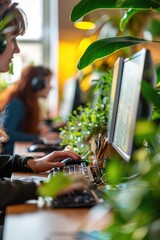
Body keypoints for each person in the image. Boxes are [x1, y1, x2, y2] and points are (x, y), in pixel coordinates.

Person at [0, 1, 87, 236]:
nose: (17, 49)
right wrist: (44, 186)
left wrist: (28, 163)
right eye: (13, 40)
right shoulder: (18, 102)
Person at [0, 64, 59, 154]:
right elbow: (7, 134)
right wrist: (39, 137)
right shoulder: (18, 103)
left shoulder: (28, 102)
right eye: (48, 81)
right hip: (10, 156)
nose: (50, 87)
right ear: (38, 83)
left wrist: (40, 129)